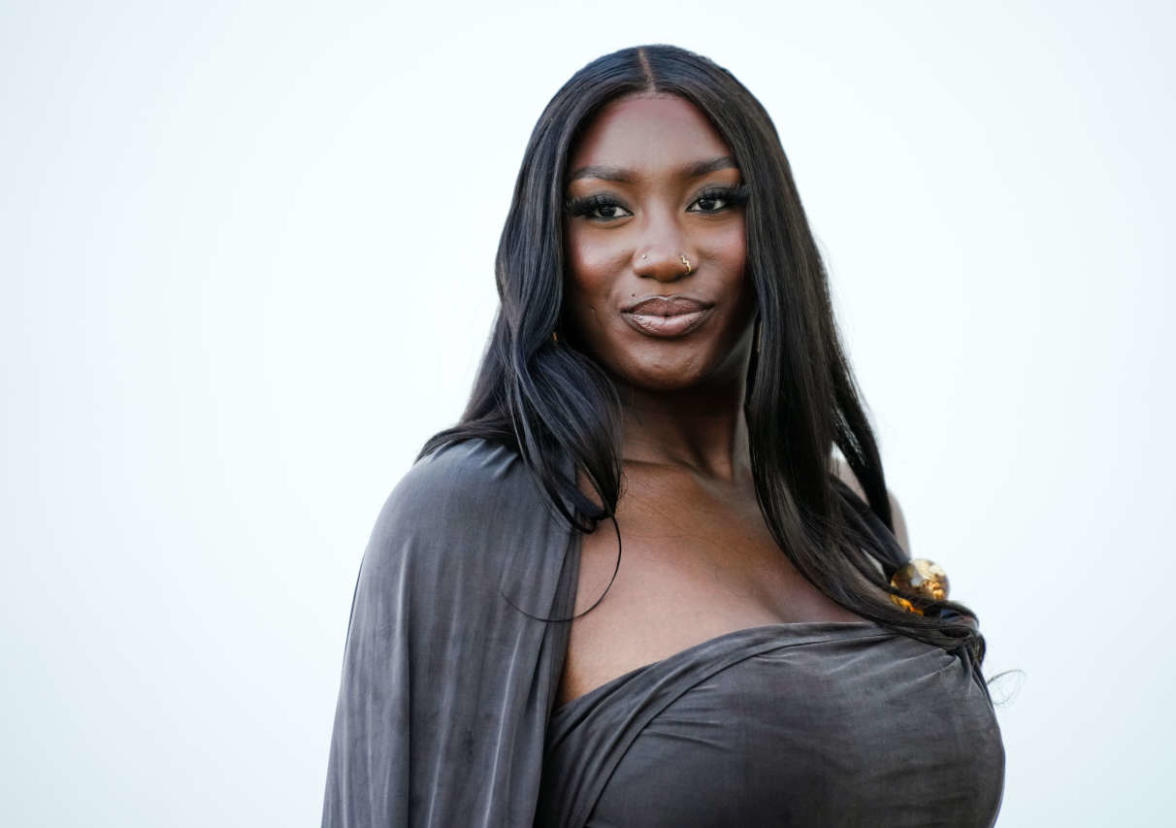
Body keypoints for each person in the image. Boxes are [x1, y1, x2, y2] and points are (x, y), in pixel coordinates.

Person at [321, 43, 1005, 827]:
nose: (665, 255)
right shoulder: (478, 512)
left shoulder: (847, 507)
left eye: (713, 201)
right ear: (548, 245)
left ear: (771, 230)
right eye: (604, 209)